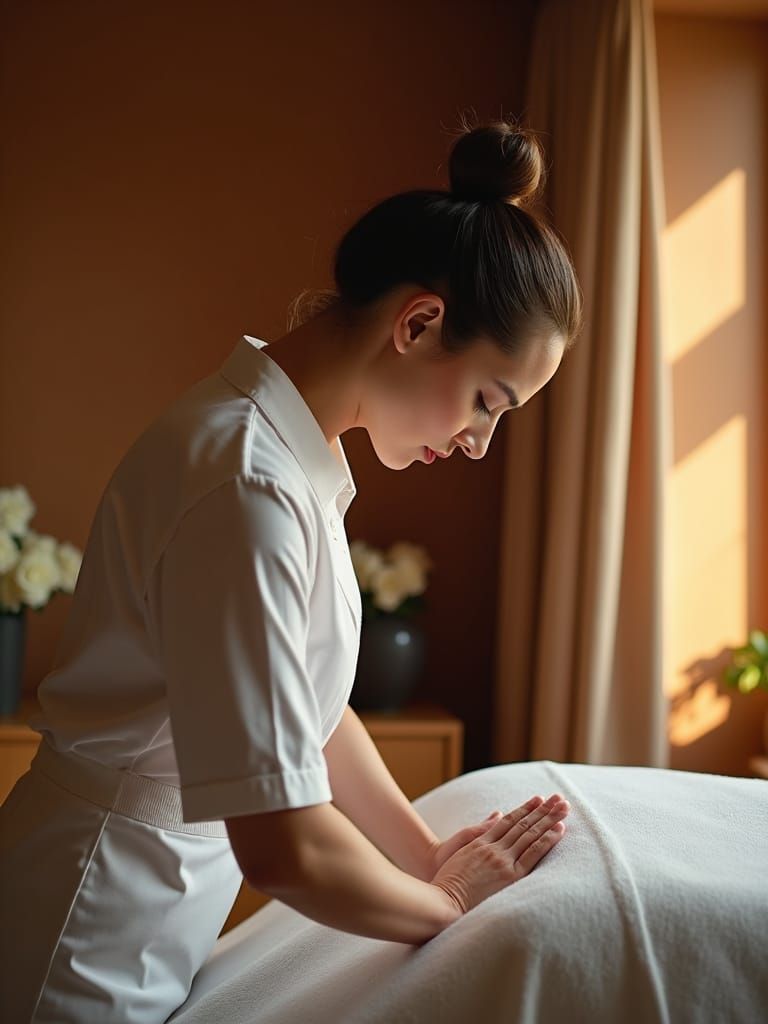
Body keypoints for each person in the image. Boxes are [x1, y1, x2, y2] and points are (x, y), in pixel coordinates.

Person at [0, 117, 583, 1023]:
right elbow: (284, 849)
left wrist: (426, 854)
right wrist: (450, 902)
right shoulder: (248, 486)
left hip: (136, 909)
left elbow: (302, 707)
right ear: (419, 323)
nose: (478, 444)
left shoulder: (279, 455)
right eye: (486, 402)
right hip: (83, 929)